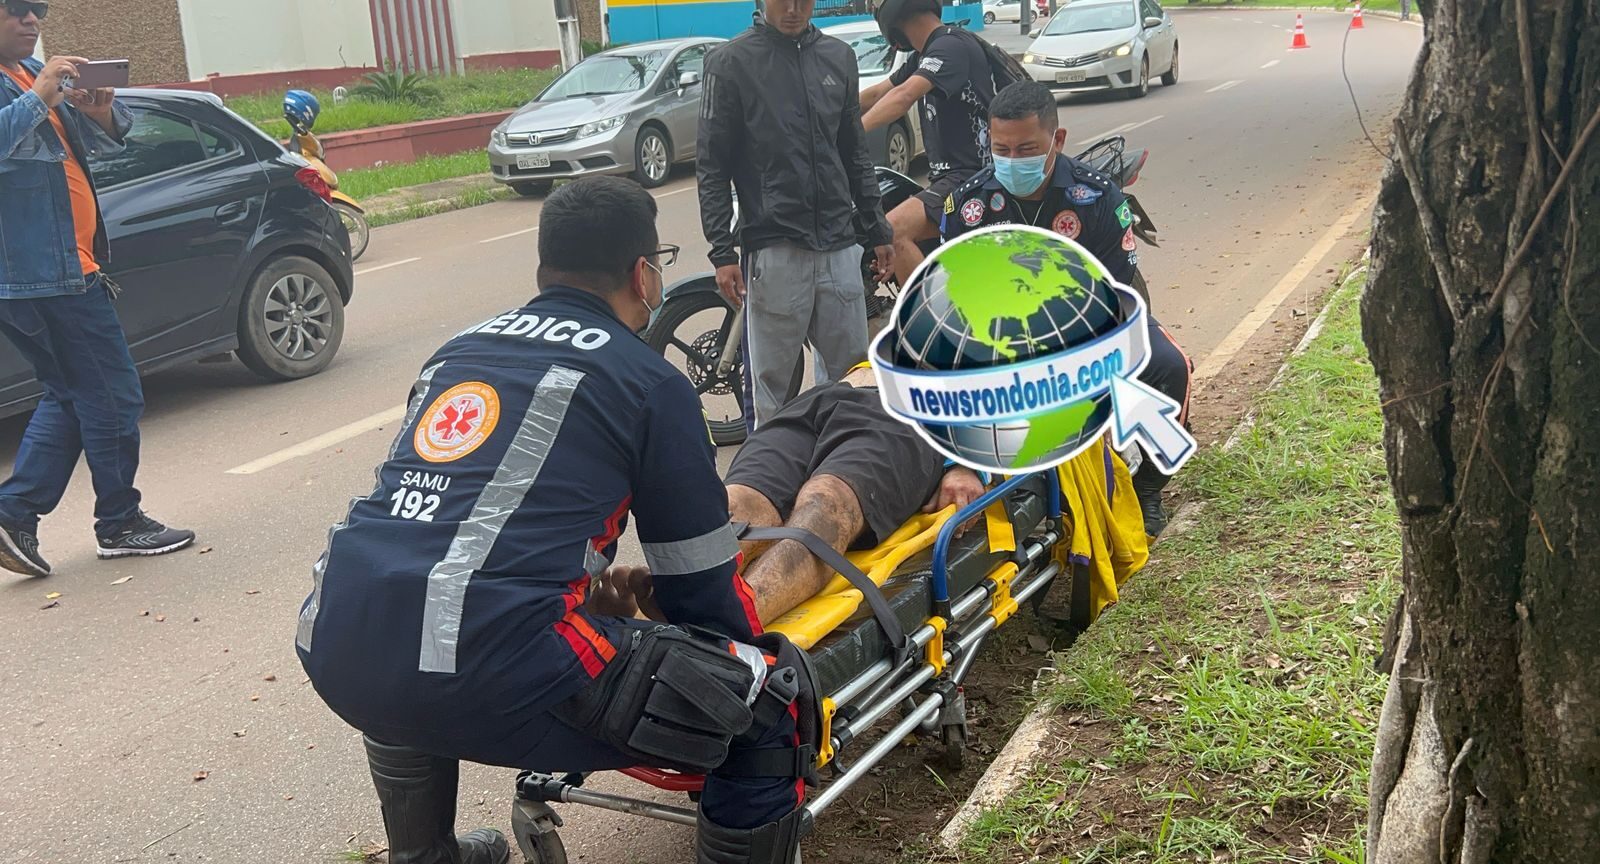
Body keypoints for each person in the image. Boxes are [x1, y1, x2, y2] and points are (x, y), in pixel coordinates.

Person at [297, 177, 817, 864]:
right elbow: (699, 586)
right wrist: (725, 670)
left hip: (339, 636)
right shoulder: (648, 382)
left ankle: (423, 854)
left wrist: (570, 588)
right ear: (644, 273)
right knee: (765, 702)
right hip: (497, 665)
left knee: (407, 626)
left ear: (545, 268)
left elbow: (467, 517)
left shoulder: (459, 351)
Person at [939, 81, 1193, 537]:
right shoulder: (968, 206)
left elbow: (1117, 293)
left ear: (1057, 140)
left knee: (1170, 365)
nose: (1013, 161)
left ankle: (1148, 490)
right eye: (1002, 149)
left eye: (1027, 148)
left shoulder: (1096, 198)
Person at [0, 0, 195, 577]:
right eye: (15, 11)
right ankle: (119, 522)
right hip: (45, 274)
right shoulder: (26, 84)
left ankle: (14, 513)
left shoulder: (29, 76)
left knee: (72, 393)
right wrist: (41, 92)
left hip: (65, 266)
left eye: (35, 11)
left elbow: (111, 144)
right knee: (114, 393)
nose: (31, 21)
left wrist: (99, 110)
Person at [597, 363, 988, 626]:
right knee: (738, 501)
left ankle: (730, 619)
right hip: (828, 396)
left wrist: (966, 462)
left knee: (825, 502)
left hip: (913, 417)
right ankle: (683, 593)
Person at [697, 0, 894, 428]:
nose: (792, 8)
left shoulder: (838, 58)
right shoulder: (730, 63)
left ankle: (843, 472)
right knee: (772, 386)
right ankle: (771, 484)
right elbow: (712, 165)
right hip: (775, 245)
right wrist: (722, 251)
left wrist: (877, 227)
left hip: (841, 244)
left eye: (803, 0)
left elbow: (854, 152)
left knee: (852, 377)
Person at [860, 0, 996, 285]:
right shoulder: (927, 53)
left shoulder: (950, 46)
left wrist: (850, 135)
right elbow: (877, 94)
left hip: (973, 177)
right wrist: (819, 111)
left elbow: (904, 96)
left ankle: (930, 322)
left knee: (893, 230)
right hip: (949, 178)